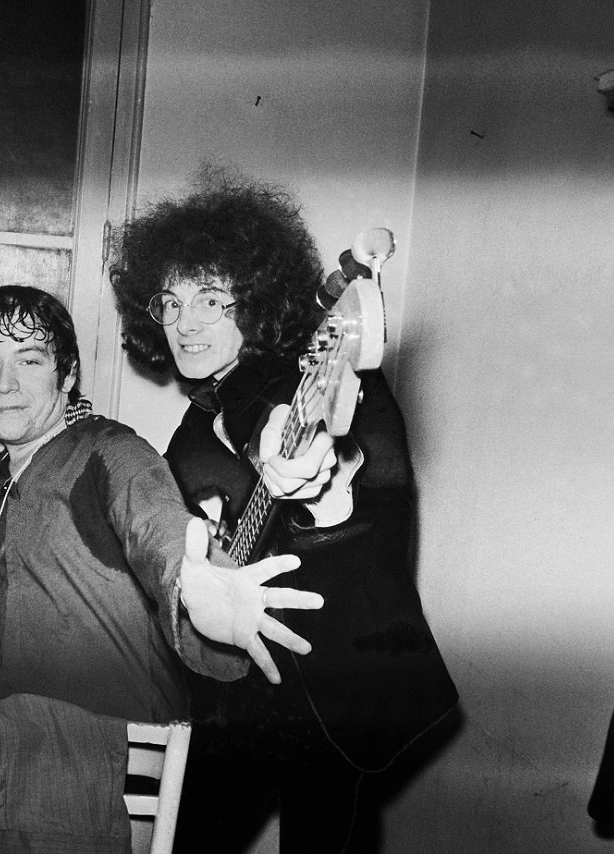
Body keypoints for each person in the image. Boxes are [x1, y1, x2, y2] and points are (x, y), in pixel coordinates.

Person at [109, 168, 458, 852]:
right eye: (169, 303)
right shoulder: (193, 420)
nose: (184, 324)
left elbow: (295, 438)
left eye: (211, 299)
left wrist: (303, 473)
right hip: (240, 687)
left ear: (256, 298)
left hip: (336, 690)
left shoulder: (283, 379)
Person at [0, 285, 332, 724]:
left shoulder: (111, 452)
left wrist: (196, 586)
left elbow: (157, 527)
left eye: (29, 360)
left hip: (103, 762)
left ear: (67, 374)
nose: (5, 383)